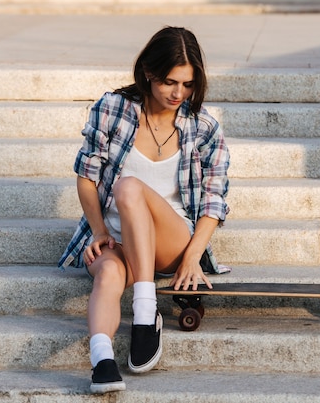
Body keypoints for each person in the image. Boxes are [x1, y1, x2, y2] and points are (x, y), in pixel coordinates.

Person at [57, 26, 230, 394]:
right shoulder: (112, 108)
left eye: (188, 84)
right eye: (170, 82)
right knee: (106, 275)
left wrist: (192, 256)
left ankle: (145, 310)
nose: (179, 93)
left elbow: (214, 198)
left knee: (129, 186)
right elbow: (86, 176)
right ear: (149, 72)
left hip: (171, 241)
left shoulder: (203, 127)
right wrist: (100, 231)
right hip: (116, 237)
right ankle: (102, 362)